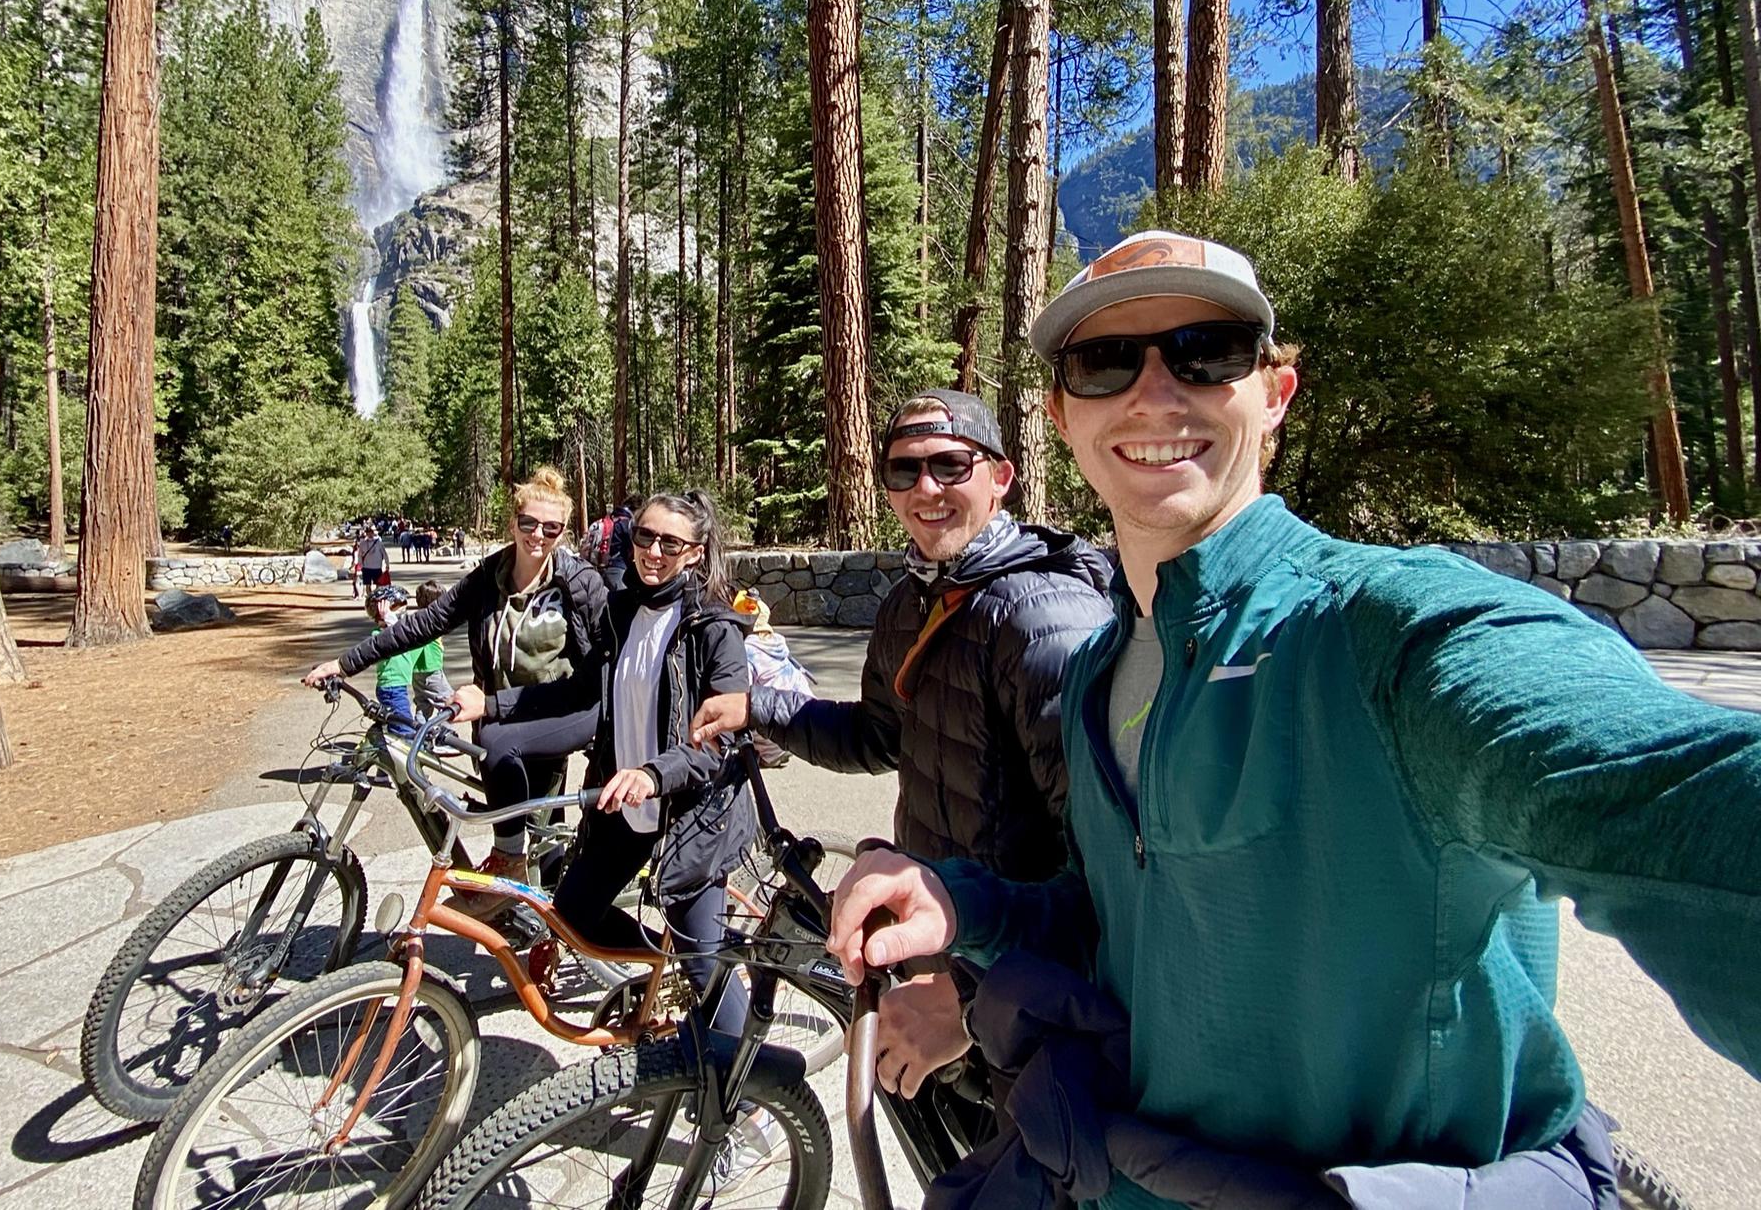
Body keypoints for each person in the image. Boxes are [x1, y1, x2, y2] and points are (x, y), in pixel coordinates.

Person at [829, 231, 1761, 1208]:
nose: (1154, 392)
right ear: (1062, 417)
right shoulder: (1108, 664)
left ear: (1271, 395)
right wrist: (966, 905)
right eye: (1106, 362)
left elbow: (1672, 794)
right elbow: (1123, 915)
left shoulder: (1391, 632)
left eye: (1206, 351)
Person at [689, 386, 1112, 1101]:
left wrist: (971, 1005)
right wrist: (759, 707)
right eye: (904, 470)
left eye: (951, 465)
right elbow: (880, 735)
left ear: (1000, 477)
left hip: (1029, 1006)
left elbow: (1112, 881)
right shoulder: (914, 600)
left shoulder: (1045, 616)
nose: (927, 489)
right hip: (947, 952)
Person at [473, 490, 757, 1024]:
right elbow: (581, 693)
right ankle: (662, 968)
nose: (652, 551)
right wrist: (491, 705)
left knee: (708, 969)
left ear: (695, 552)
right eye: (643, 536)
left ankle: (752, 1097)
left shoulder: (714, 629)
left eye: (670, 543)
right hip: (624, 806)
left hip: (692, 815)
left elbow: (717, 743)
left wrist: (654, 774)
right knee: (575, 917)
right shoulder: (622, 610)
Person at [303, 467, 607, 911]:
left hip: (564, 706)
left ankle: (511, 865)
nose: (537, 535)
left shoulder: (578, 583)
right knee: (536, 816)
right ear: (513, 523)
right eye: (528, 524)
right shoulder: (491, 576)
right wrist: (347, 663)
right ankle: (540, 911)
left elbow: (606, 659)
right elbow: (426, 622)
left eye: (551, 527)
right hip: (503, 709)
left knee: (504, 756)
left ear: (563, 532)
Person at [361, 585, 448, 740]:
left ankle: (416, 738)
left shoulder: (392, 631)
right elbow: (397, 633)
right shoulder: (381, 635)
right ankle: (410, 752)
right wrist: (387, 615)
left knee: (404, 721)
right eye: (399, 609)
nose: (404, 614)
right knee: (404, 731)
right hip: (392, 691)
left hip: (396, 689)